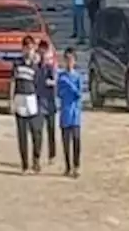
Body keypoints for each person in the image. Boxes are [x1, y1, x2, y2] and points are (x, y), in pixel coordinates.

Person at [11, 36, 43, 173]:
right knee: (22, 134)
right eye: (26, 48)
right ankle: (24, 163)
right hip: (20, 98)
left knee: (37, 132)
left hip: (32, 99)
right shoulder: (17, 63)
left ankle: (36, 158)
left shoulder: (37, 65)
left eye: (31, 48)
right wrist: (10, 101)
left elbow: (40, 83)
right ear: (23, 48)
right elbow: (12, 82)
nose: (28, 51)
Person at [57, 47, 83, 177]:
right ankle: (68, 166)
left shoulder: (77, 77)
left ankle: (76, 165)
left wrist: (70, 86)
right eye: (67, 60)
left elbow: (79, 94)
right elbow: (59, 93)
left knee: (76, 140)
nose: (69, 62)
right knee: (66, 142)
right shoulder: (61, 76)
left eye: (71, 60)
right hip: (65, 113)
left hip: (75, 114)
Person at [36, 40, 58, 164]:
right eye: (41, 51)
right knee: (38, 131)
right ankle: (37, 155)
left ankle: (52, 155)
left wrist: (52, 82)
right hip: (39, 102)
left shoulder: (50, 67)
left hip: (50, 103)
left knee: (51, 130)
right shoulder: (35, 67)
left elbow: (55, 82)